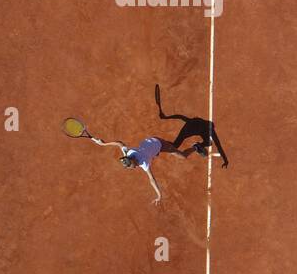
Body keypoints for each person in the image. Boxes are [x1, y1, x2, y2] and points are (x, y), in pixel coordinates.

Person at [89, 85, 229, 205]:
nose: (131, 168)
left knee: (182, 156)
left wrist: (159, 195)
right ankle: (194, 145)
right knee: (175, 146)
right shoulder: (128, 153)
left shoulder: (143, 163)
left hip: (159, 144)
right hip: (150, 142)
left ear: (131, 163)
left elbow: (152, 180)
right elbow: (119, 143)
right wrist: (103, 143)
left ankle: (196, 147)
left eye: (130, 167)